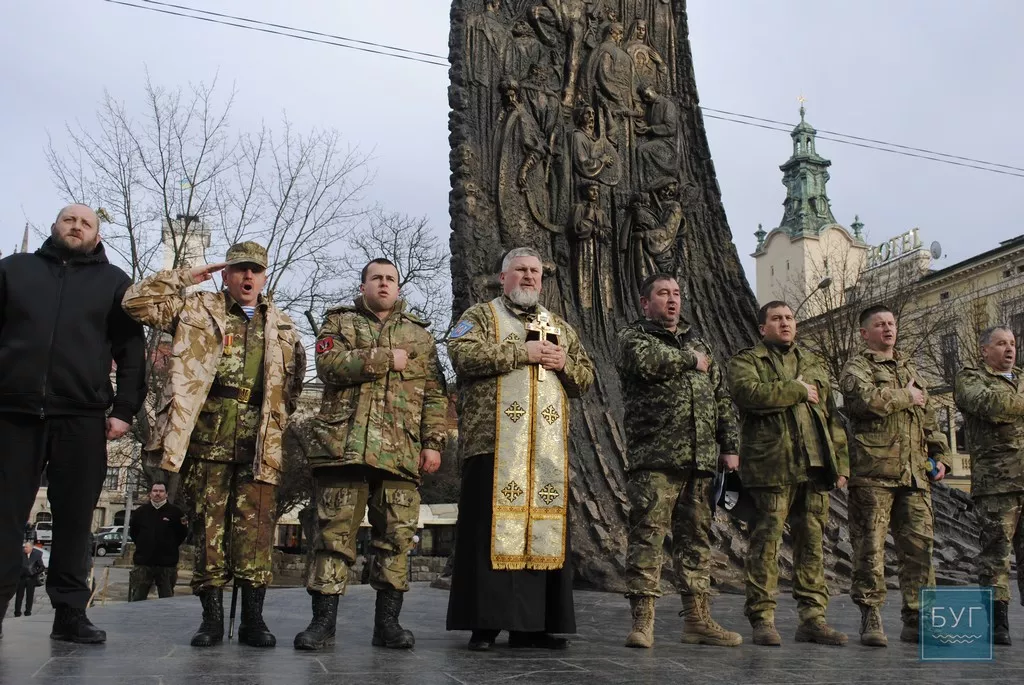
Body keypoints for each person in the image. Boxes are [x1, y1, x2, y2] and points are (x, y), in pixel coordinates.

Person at [122, 242, 305, 648]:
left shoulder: (283, 325)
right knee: (209, 532)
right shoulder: (197, 308)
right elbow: (135, 303)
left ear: (264, 276)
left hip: (259, 444)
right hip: (209, 437)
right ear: (226, 273)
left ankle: (253, 620)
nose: (247, 276)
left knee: (256, 533)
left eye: (255, 270)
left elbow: (291, 387)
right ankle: (211, 620)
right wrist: (186, 276)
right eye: (239, 269)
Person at [0, 204, 146, 643]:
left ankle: (69, 614)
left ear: (96, 236)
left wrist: (124, 410)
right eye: (69, 219)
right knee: (4, 518)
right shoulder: (14, 270)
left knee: (75, 520)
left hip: (81, 417)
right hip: (13, 413)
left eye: (85, 222)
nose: (76, 226)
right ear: (55, 226)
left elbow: (132, 352)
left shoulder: (114, 283)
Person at [292, 258, 448, 651]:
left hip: (400, 453)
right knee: (332, 537)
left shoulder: (420, 336)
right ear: (363, 286)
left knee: (396, 538)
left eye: (390, 279)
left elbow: (434, 395)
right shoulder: (339, 323)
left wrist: (433, 442)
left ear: (398, 287)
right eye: (376, 278)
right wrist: (384, 358)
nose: (383, 283)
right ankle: (322, 624)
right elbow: (328, 366)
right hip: (343, 448)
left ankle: (388, 625)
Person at [446, 247, 595, 651]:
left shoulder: (559, 326)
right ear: (503, 277)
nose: (529, 276)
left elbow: (585, 378)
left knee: (541, 533)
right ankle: (485, 625)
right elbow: (461, 354)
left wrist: (564, 364)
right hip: (493, 445)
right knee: (486, 535)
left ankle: (534, 626)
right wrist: (520, 353)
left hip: (545, 453)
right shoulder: (480, 316)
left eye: (535, 271)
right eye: (520, 270)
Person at [616, 274, 742, 648]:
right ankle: (643, 621)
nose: (672, 300)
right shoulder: (634, 337)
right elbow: (647, 363)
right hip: (655, 458)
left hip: (700, 460)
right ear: (645, 302)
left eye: (676, 294)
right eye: (662, 294)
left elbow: (721, 399)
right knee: (647, 538)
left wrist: (729, 446)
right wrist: (690, 360)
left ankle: (697, 620)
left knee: (696, 542)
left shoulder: (700, 344)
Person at [728, 300, 849, 647]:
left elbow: (831, 415)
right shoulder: (747, 361)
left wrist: (841, 462)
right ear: (762, 328)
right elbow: (748, 394)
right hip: (771, 468)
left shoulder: (812, 362)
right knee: (765, 545)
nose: (785, 323)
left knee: (812, 546)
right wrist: (795, 390)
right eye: (777, 318)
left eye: (790, 318)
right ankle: (762, 619)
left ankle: (813, 619)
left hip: (813, 468)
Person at [840, 305, 950, 646]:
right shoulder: (858, 367)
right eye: (879, 324)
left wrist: (940, 455)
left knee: (920, 550)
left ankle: (918, 619)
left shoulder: (909, 368)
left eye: (891, 323)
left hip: (915, 476)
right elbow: (864, 402)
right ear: (864, 333)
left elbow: (928, 417)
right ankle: (870, 615)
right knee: (870, 549)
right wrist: (907, 396)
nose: (888, 329)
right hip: (874, 473)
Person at [955, 325, 1024, 646]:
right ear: (985, 350)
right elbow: (991, 406)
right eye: (1001, 344)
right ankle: (998, 622)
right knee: (996, 557)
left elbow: (1006, 404)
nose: (1009, 349)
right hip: (996, 484)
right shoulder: (970, 378)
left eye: (1012, 343)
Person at [128, 482, 188, 601]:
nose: (158, 494)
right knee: (137, 599)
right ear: (150, 493)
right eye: (155, 491)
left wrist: (169, 547)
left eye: (161, 491)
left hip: (167, 564)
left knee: (166, 600)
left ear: (166, 494)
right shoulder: (140, 512)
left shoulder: (176, 513)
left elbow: (182, 534)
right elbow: (134, 532)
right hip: (143, 563)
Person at [14, 541, 45, 617]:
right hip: (21, 578)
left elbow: (42, 566)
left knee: (30, 596)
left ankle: (28, 611)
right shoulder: (20, 554)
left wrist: (36, 572)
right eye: (24, 547)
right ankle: (17, 612)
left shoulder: (37, 555)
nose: (25, 548)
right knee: (19, 596)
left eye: (26, 547)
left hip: (31, 579)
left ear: (31, 548)